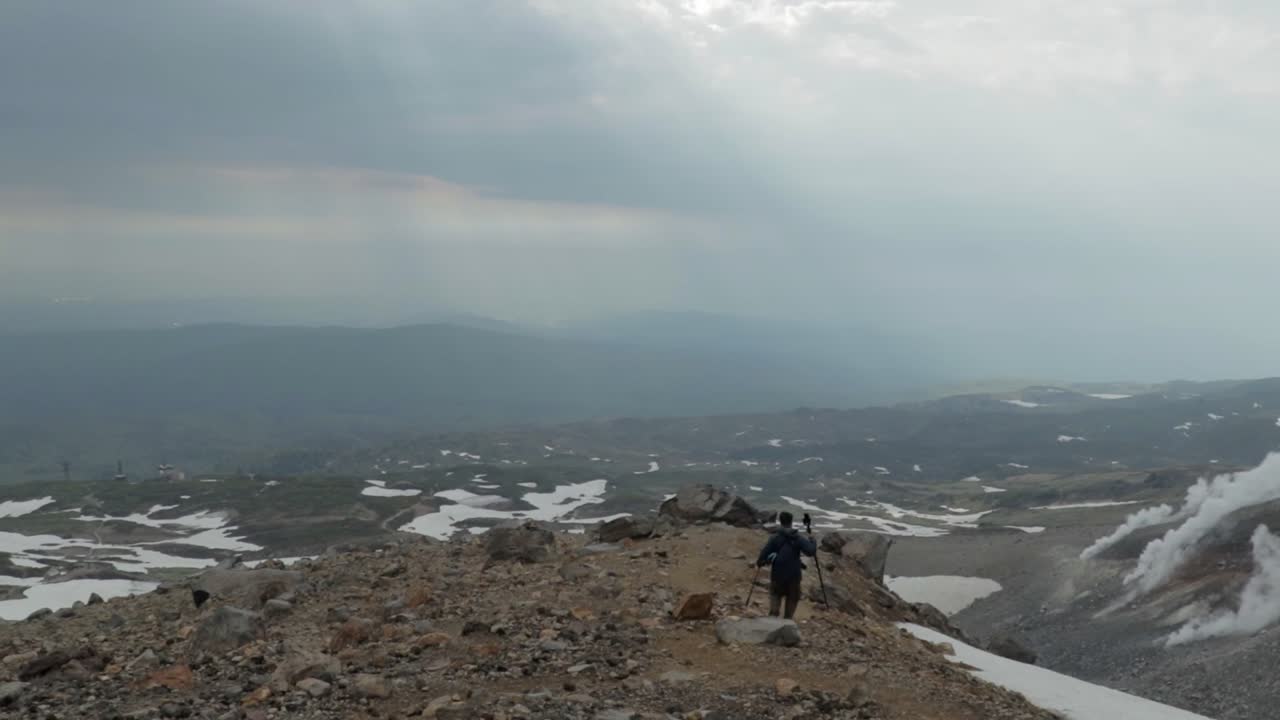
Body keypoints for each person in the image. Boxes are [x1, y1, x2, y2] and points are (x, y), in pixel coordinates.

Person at [756, 511, 817, 619]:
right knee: (792, 601)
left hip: (777, 576)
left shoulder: (775, 538)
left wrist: (764, 561)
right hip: (794, 577)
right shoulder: (797, 538)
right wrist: (813, 540)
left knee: (775, 597)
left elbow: (762, 557)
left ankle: (773, 618)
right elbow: (810, 551)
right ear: (791, 522)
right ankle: (787, 621)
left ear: (780, 521)